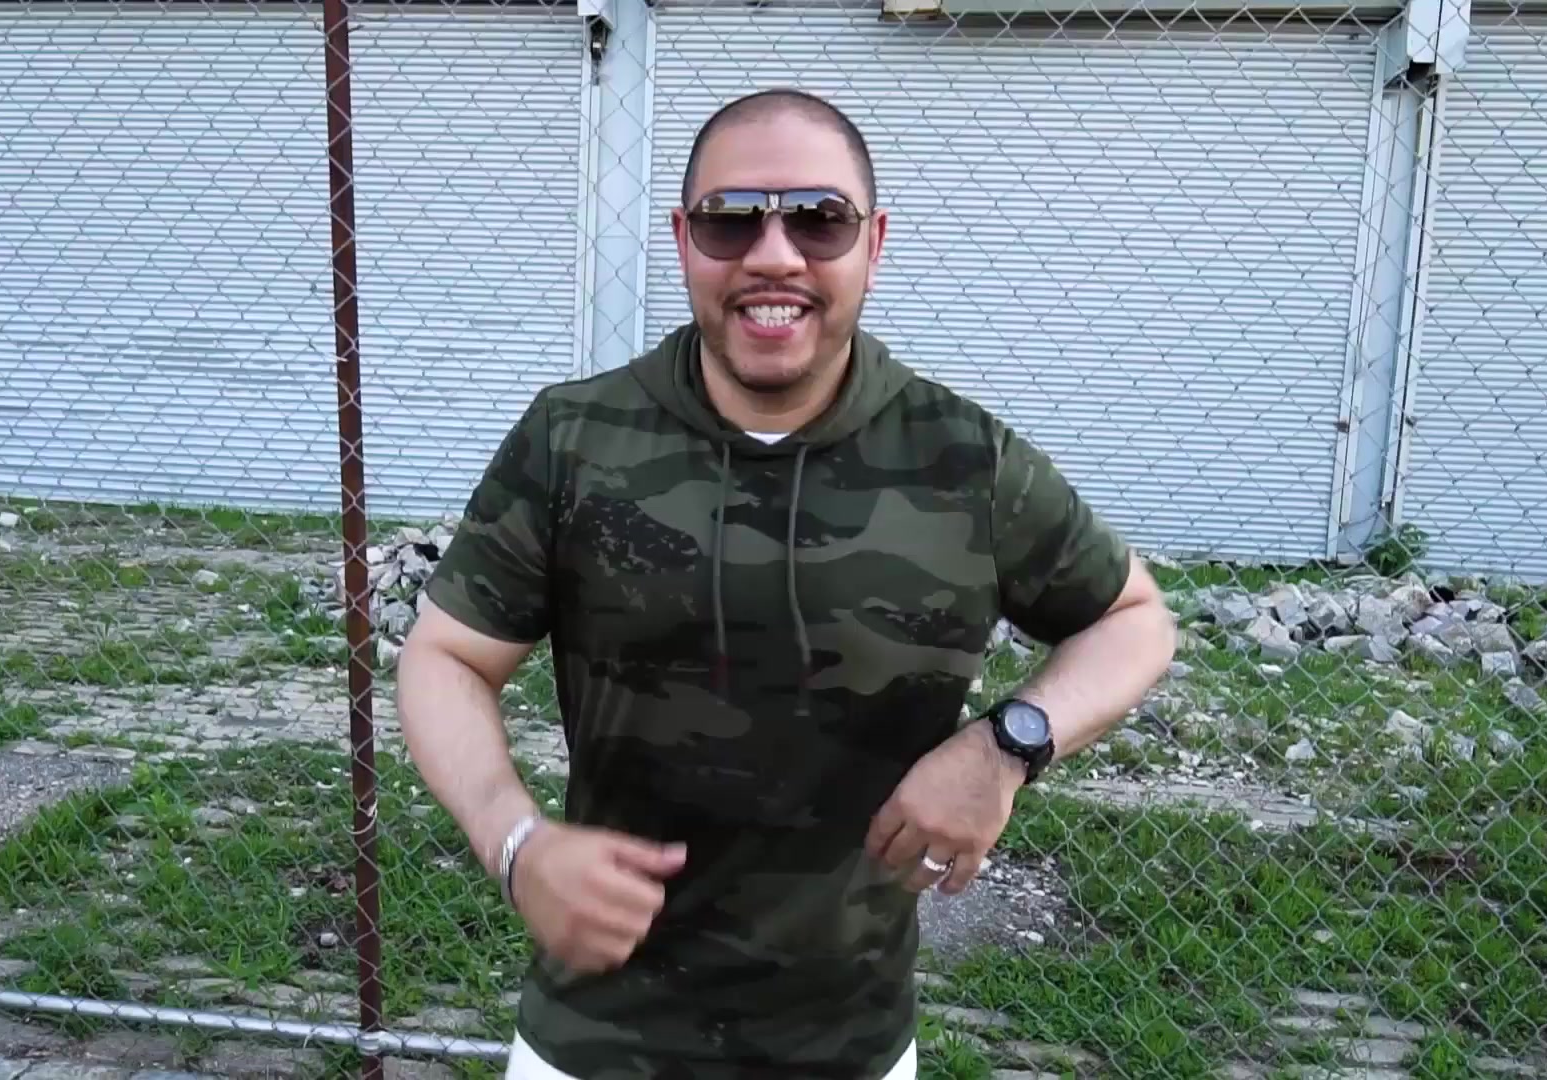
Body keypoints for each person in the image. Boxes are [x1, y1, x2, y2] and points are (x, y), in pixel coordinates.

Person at [395, 87, 1177, 1080]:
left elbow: (1134, 620)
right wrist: (514, 843)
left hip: (847, 1047)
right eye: (730, 220)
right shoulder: (577, 440)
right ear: (683, 240)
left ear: (873, 244)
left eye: (818, 218)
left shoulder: (962, 460)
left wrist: (1006, 747)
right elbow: (447, 657)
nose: (774, 255)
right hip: (594, 1042)